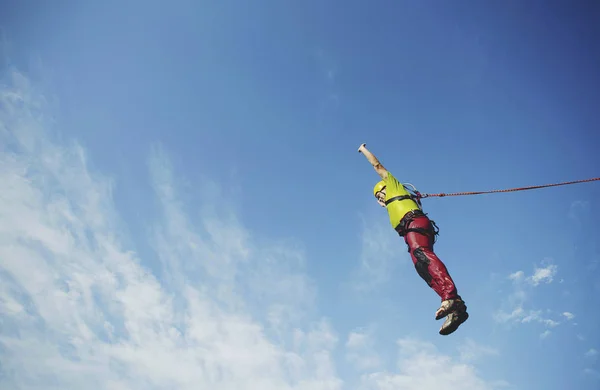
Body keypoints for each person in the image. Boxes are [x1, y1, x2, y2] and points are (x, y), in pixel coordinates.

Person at [357, 143, 469, 335]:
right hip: (409, 233)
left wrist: (363, 150)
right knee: (421, 267)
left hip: (415, 223)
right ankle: (454, 306)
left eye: (379, 194)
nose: (379, 199)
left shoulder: (393, 185)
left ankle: (450, 296)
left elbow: (378, 166)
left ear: (385, 187)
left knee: (422, 254)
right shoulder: (391, 203)